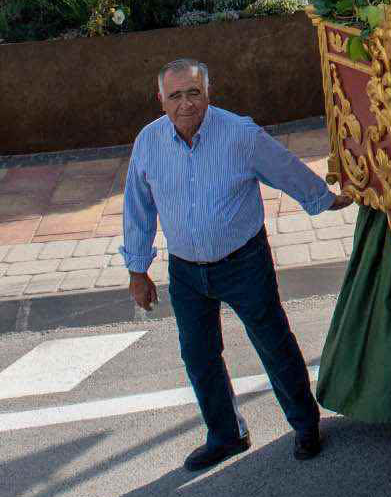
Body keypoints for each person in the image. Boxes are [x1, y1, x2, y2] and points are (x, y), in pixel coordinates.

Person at [124, 60, 348, 469]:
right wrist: (138, 271)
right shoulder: (148, 142)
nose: (186, 103)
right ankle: (227, 435)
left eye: (194, 92)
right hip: (187, 271)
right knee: (198, 354)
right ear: (160, 100)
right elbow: (137, 209)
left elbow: (285, 171)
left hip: (244, 262)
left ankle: (305, 425)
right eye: (175, 95)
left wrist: (326, 199)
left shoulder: (240, 134)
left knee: (273, 343)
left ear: (208, 92)